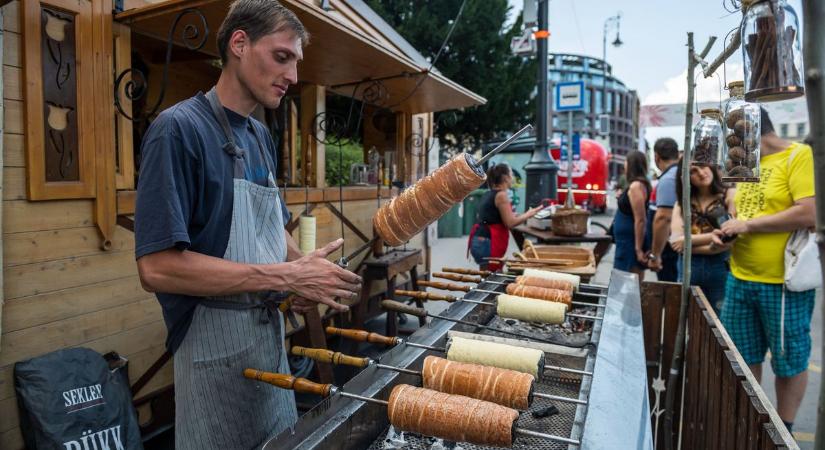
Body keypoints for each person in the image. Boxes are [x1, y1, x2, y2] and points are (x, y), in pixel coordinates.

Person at [133, 2, 362, 448]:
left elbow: (270, 229)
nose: (293, 76)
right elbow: (157, 268)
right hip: (210, 347)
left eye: (296, 63)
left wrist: (307, 274)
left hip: (266, 338)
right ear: (239, 43)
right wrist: (284, 274)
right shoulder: (177, 130)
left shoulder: (258, 134)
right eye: (282, 57)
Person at [714, 109, 816, 434]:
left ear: (753, 133)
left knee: (789, 361)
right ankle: (749, 421)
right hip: (740, 277)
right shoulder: (748, 167)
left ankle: (783, 428)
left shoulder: (799, 156)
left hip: (783, 282)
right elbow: (743, 208)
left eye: (736, 141)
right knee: (743, 357)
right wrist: (730, 223)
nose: (733, 151)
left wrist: (748, 225)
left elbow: (808, 212)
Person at [669, 161, 735, 312]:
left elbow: (730, 239)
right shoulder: (682, 203)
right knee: (687, 316)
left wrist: (688, 243)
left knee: (718, 320)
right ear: (685, 176)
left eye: (704, 165)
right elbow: (675, 242)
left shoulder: (728, 195)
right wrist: (712, 239)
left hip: (721, 265)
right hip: (688, 265)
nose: (701, 172)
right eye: (693, 170)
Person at [468, 164, 542, 271]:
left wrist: (520, 215)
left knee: (486, 277)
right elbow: (510, 223)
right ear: (506, 178)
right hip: (487, 243)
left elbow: (495, 216)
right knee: (492, 278)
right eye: (511, 174)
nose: (512, 177)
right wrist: (529, 214)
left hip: (479, 240)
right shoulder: (501, 195)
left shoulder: (488, 193)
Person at [612, 151, 651, 279]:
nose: (624, 164)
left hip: (630, 244)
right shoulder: (635, 185)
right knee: (627, 283)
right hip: (626, 243)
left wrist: (638, 249)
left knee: (627, 285)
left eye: (626, 161)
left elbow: (640, 219)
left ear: (631, 164)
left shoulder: (636, 186)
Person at [647, 138, 681, 281]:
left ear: (656, 157)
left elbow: (663, 218)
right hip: (674, 248)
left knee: (670, 293)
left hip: (670, 251)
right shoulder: (676, 174)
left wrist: (656, 255)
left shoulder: (669, 179)